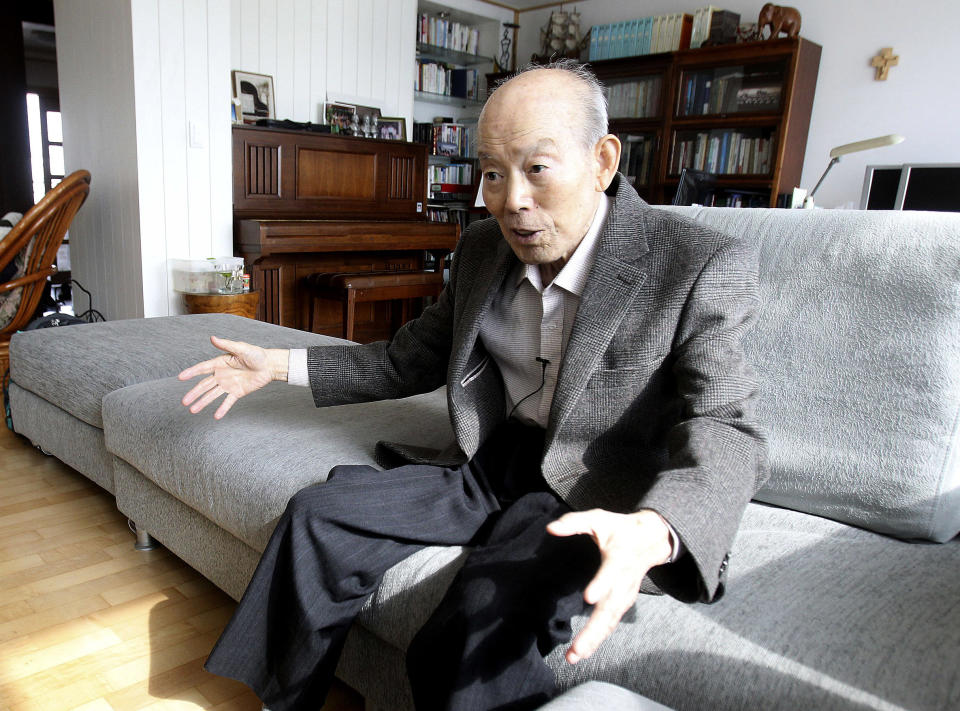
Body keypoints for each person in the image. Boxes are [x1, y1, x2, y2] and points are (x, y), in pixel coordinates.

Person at [179, 60, 766, 711]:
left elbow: (724, 423)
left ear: (602, 161)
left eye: (537, 168)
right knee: (318, 516)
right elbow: (408, 361)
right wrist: (281, 364)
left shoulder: (696, 263)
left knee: (468, 631)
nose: (511, 198)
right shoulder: (483, 247)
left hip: (590, 489)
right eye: (492, 172)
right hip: (490, 462)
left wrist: (659, 525)